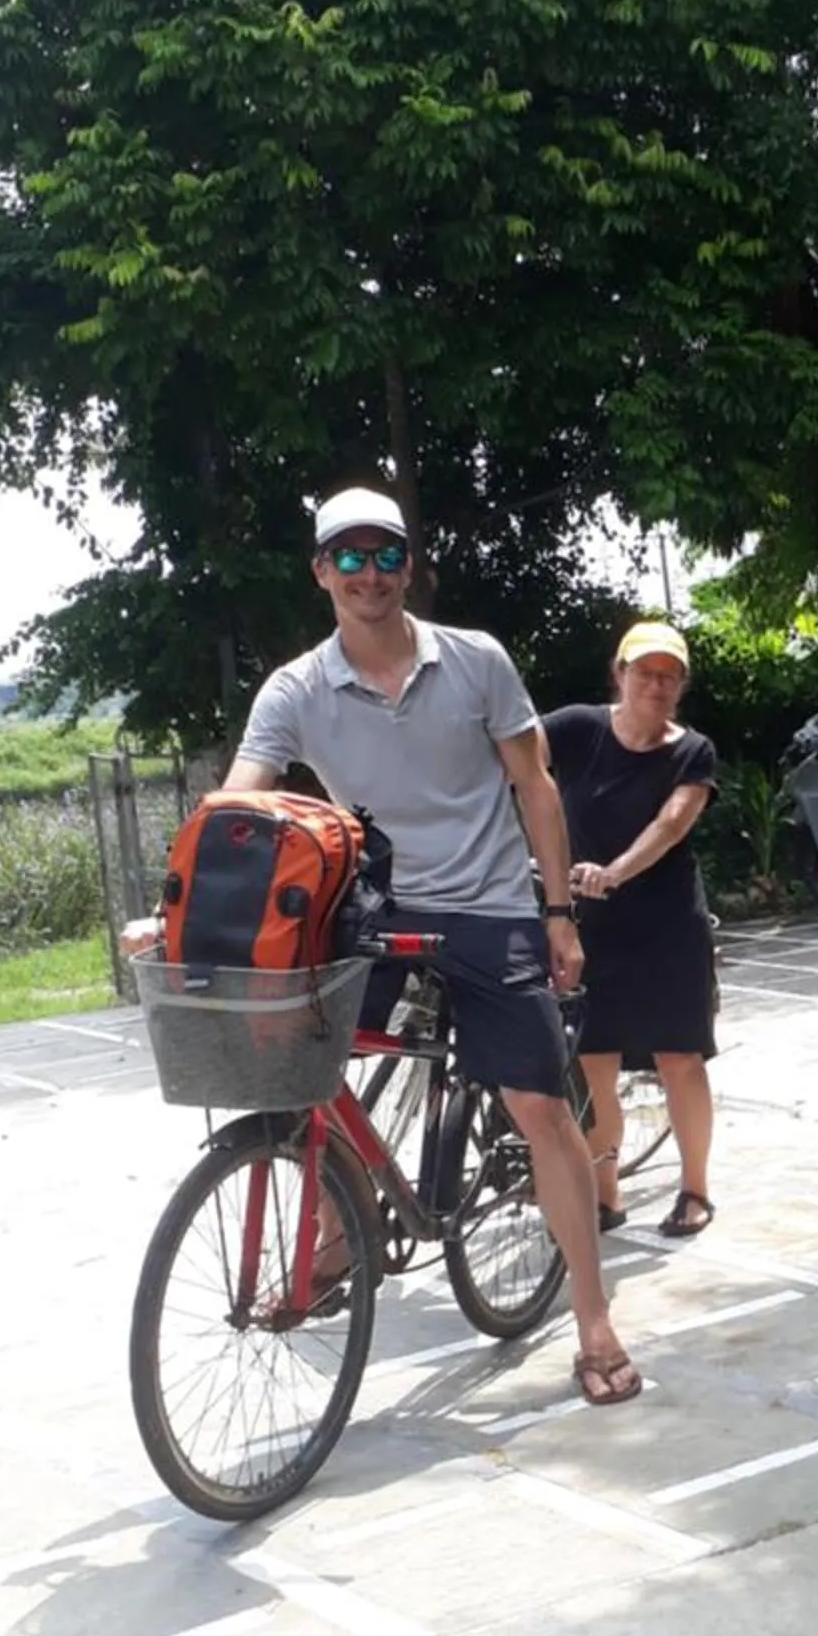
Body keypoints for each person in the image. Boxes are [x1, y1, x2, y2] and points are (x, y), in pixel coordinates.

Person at [227, 486, 643, 1409]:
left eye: (385, 556)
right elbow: (242, 805)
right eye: (350, 557)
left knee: (538, 1104)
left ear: (408, 566)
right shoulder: (296, 688)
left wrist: (556, 913)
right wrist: (181, 895)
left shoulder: (476, 662)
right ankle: (343, 1225)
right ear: (321, 571)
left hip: (490, 908)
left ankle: (593, 1317)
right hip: (372, 908)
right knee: (299, 1060)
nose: (368, 574)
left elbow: (534, 786)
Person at [543, 623, 719, 1242]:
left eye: (668, 675)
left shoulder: (691, 751)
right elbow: (515, 762)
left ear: (682, 686)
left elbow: (671, 824)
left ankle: (694, 1188)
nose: (656, 684)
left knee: (680, 1057)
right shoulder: (575, 728)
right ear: (619, 673)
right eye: (644, 671)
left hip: (667, 920)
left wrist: (613, 872)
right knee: (593, 1062)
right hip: (587, 924)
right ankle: (603, 1192)